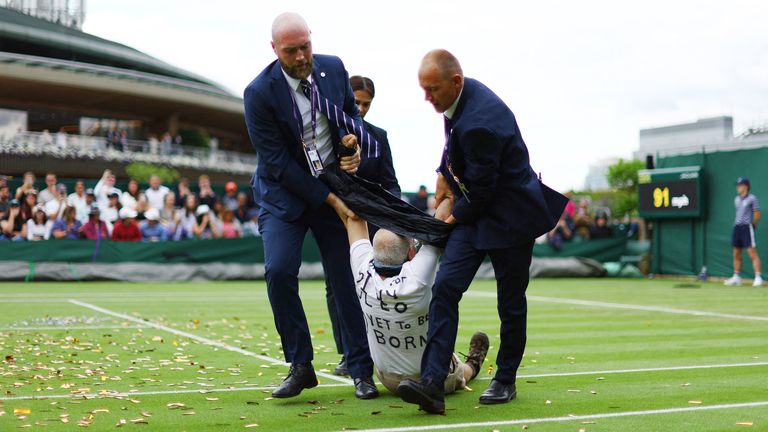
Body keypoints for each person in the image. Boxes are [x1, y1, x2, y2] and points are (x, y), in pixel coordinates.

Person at [396, 50, 567, 414]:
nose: (428, 97)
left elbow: (483, 193)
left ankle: (505, 379)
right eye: (424, 89)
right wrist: (442, 176)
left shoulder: (479, 123)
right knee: (445, 289)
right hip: (477, 209)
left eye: (433, 89)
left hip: (510, 217)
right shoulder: (457, 99)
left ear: (455, 81)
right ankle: (431, 385)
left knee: (510, 303)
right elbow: (452, 149)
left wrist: (448, 218)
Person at [243, 12, 378, 400]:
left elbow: (351, 116)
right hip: (283, 194)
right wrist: (331, 199)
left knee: (346, 279)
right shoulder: (259, 93)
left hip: (333, 184)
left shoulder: (333, 69)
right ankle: (301, 365)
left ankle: (360, 369)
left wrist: (352, 145)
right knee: (279, 271)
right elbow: (278, 164)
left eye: (306, 46)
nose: (302, 56)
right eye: (291, 51)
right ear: (275, 50)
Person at [334, 196, 489, 395]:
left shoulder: (362, 269)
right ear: (410, 254)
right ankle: (472, 365)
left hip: (386, 378)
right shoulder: (417, 277)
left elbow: (353, 218)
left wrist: (346, 180)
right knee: (457, 370)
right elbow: (440, 220)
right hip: (428, 378)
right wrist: (447, 183)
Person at [725, 177, 763, 287]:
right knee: (736, 253)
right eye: (737, 185)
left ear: (745, 186)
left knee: (752, 253)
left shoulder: (752, 198)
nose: (738, 187)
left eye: (740, 185)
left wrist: (752, 226)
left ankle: (758, 277)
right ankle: (736, 277)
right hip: (737, 227)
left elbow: (757, 214)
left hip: (747, 227)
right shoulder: (736, 199)